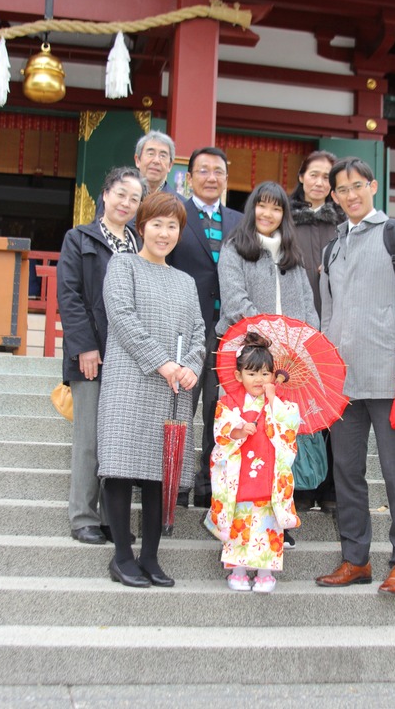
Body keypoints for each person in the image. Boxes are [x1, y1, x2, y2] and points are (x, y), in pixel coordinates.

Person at [314, 156, 395, 596]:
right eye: (341, 190)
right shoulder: (333, 245)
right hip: (343, 378)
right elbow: (328, 314)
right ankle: (355, 558)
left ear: (373, 186)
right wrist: (321, 367)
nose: (350, 196)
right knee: (346, 470)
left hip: (390, 372)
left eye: (357, 186)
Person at [97, 192, 206, 588]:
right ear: (141, 227)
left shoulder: (186, 280)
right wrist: (163, 362)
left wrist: (192, 366)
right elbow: (122, 317)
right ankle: (123, 556)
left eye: (172, 225)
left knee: (162, 472)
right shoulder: (122, 265)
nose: (164, 233)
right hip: (132, 380)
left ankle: (151, 557)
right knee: (123, 468)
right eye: (156, 224)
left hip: (174, 388)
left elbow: (199, 330)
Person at [215, 180, 318, 547]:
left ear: (284, 215)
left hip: (286, 364)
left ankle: (278, 520)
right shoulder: (235, 249)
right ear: (252, 208)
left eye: (276, 208)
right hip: (248, 357)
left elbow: (307, 307)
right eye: (262, 205)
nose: (268, 214)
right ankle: (230, 517)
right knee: (245, 438)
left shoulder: (292, 256)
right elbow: (234, 300)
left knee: (279, 441)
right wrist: (270, 335)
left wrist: (305, 343)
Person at [57, 167, 144, 546]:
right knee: (90, 439)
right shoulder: (79, 239)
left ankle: (113, 517)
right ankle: (83, 516)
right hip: (92, 354)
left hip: (130, 358)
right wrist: (85, 347)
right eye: (121, 194)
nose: (126, 203)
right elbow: (70, 296)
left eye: (134, 198)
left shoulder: (140, 244)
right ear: (105, 195)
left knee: (119, 440)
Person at [167, 146, 243, 508]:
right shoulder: (174, 214)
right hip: (185, 327)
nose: (211, 178)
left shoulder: (240, 221)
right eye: (204, 171)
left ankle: (209, 483)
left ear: (226, 178)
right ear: (190, 176)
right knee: (181, 404)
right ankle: (176, 483)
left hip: (228, 331)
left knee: (219, 407)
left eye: (218, 172)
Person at [204, 331, 301, 593]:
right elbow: (221, 432)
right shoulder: (229, 403)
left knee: (267, 524)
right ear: (238, 376)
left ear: (273, 375)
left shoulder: (280, 403)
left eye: (265, 373)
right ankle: (237, 570)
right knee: (240, 522)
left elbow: (291, 425)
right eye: (252, 373)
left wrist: (273, 403)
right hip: (240, 473)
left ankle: (265, 572)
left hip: (268, 474)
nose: (259, 379)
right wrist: (238, 430)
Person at [287, 149, 344, 515]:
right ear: (302, 176)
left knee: (334, 408)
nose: (320, 182)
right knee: (299, 407)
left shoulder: (343, 222)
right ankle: (302, 485)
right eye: (314, 175)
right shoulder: (285, 218)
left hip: (337, 324)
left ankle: (332, 488)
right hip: (296, 327)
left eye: (327, 177)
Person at [93, 130, 178, 220]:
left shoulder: (180, 204)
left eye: (162, 156)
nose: (156, 161)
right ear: (137, 160)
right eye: (150, 154)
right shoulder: (111, 197)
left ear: (170, 165)